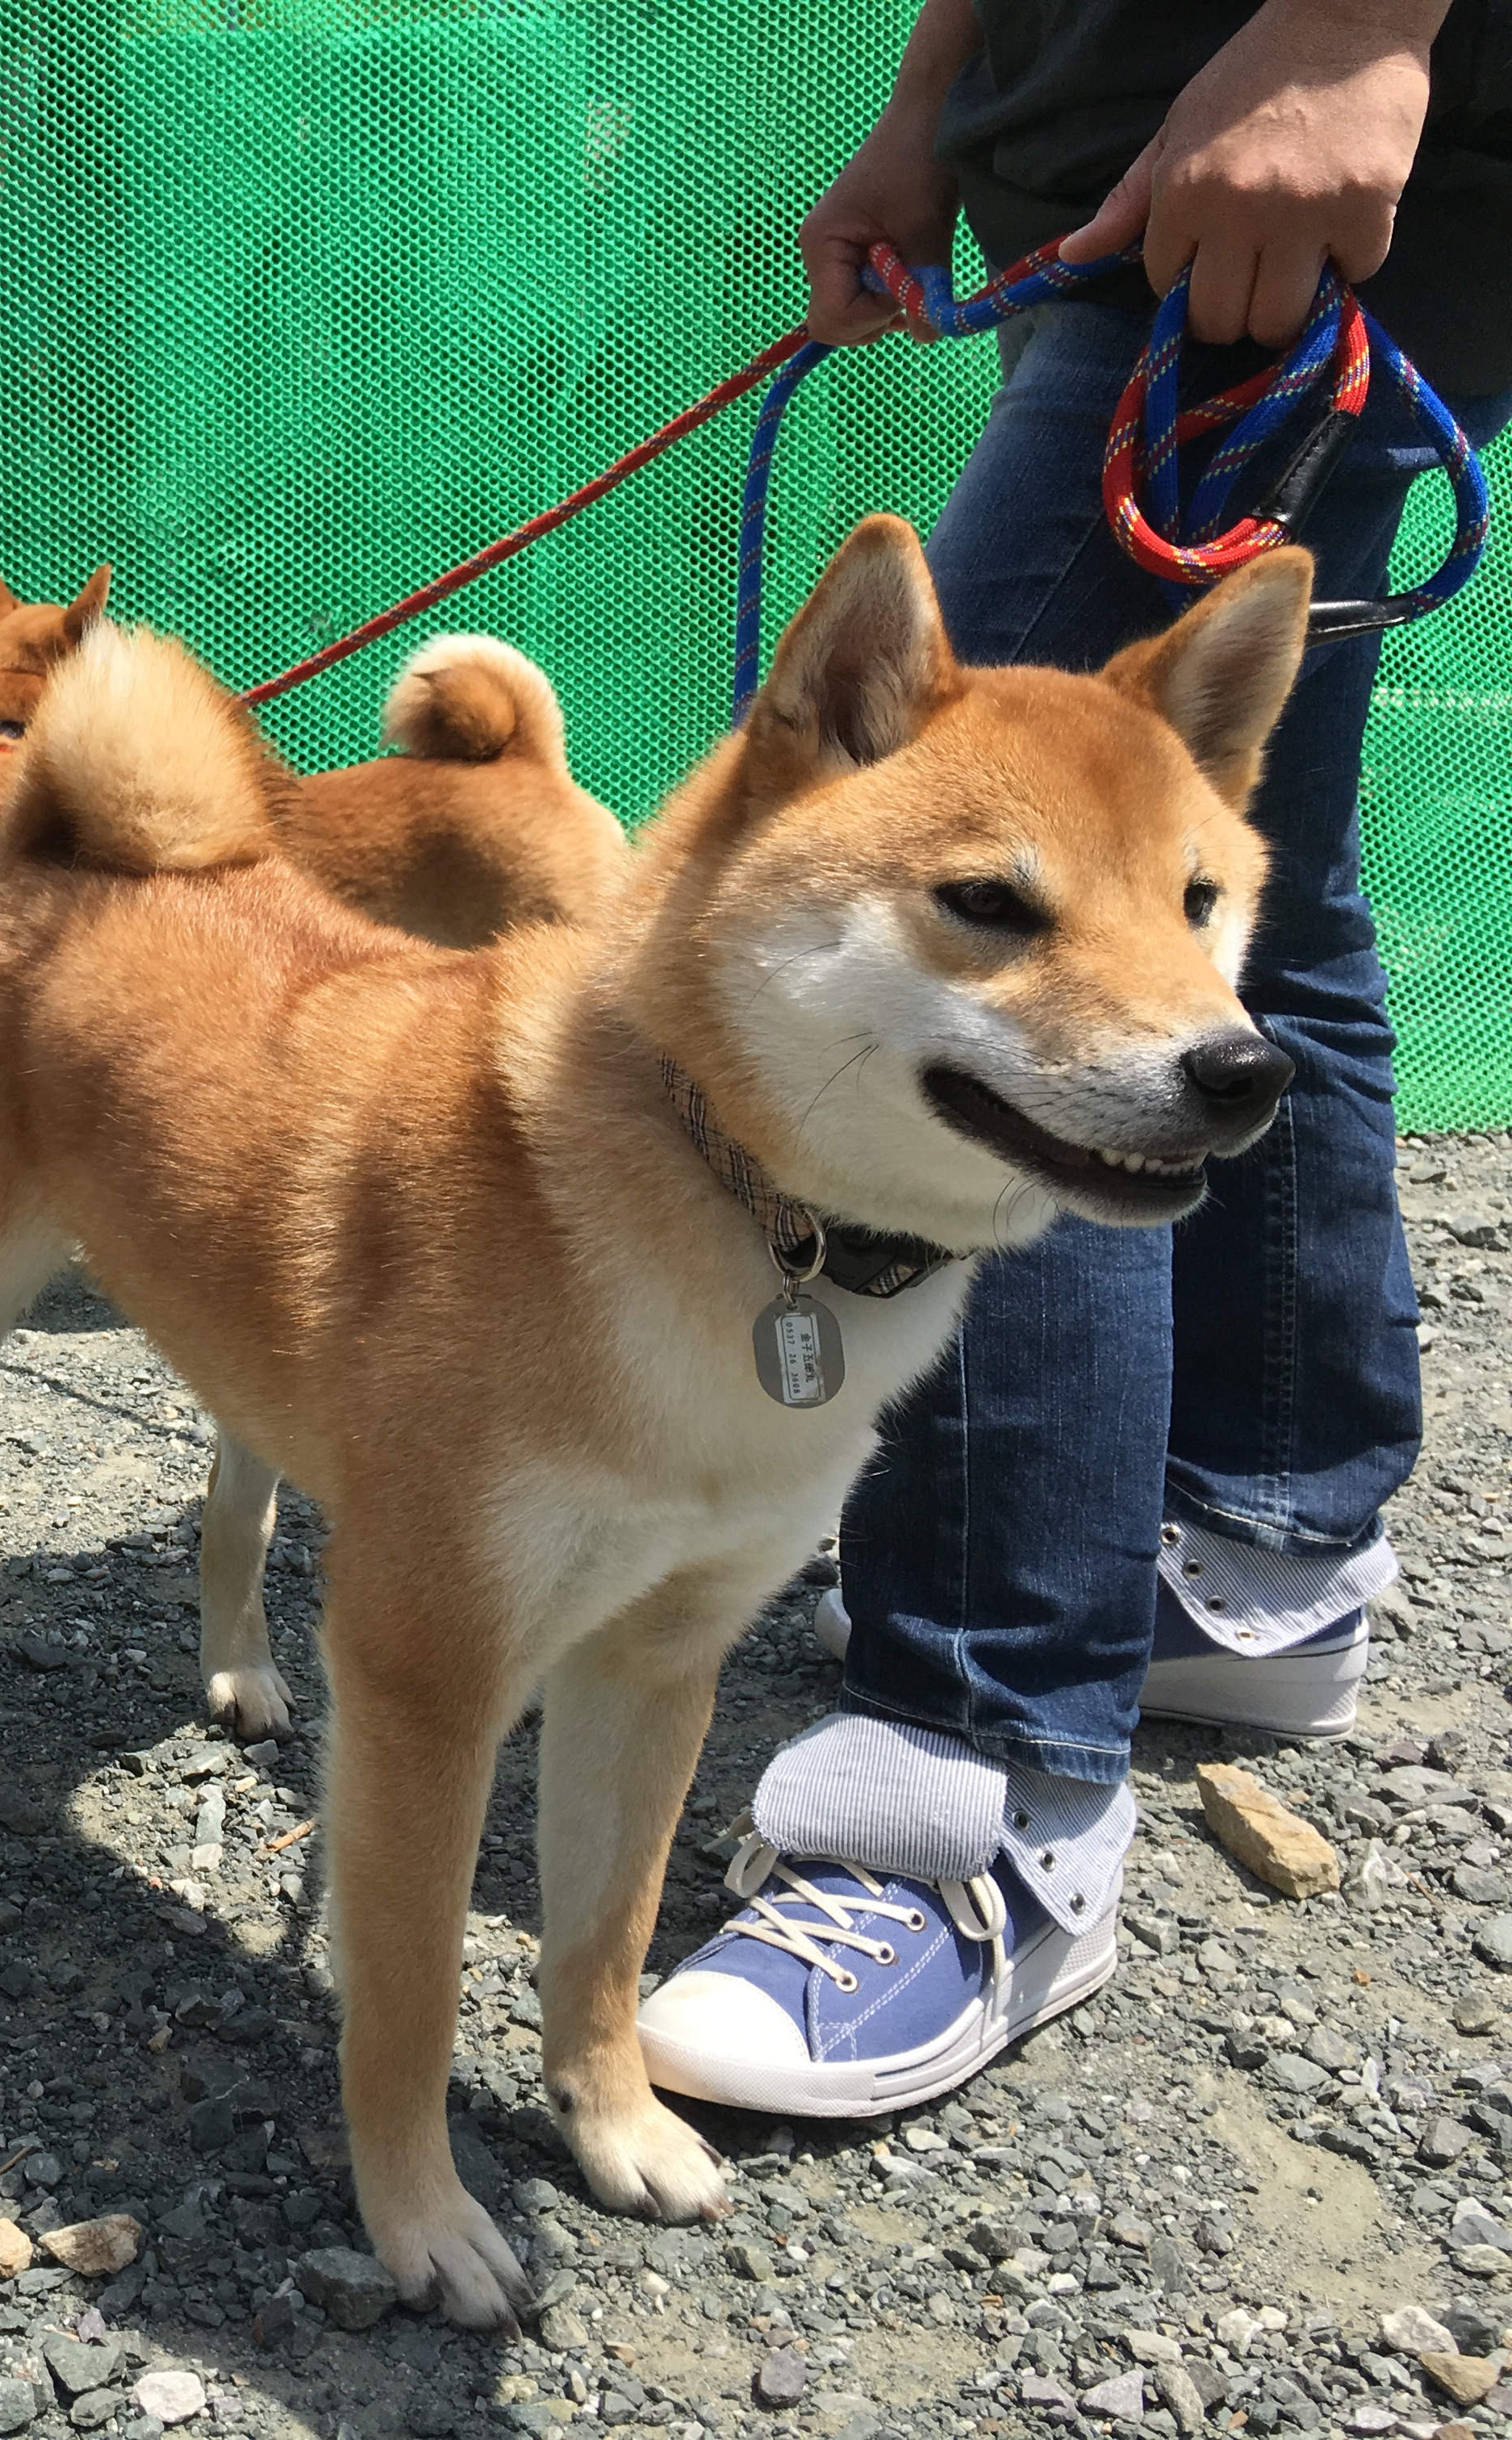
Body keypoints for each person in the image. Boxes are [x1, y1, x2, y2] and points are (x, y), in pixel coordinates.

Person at [633, 0, 1512, 2114]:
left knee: (981, 952)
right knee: (1200, 912)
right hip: (1127, 166)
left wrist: (1337, 31)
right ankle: (1269, 1549)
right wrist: (938, 114)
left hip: (1259, 169)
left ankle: (979, 1779)